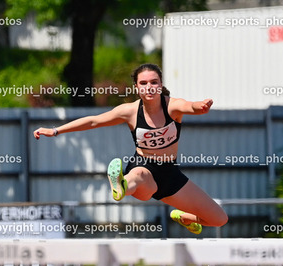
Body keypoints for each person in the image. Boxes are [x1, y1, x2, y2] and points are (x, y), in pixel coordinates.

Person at [33, 63, 228, 235]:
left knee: (219, 219)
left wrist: (199, 106)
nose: (149, 87)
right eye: (143, 83)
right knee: (140, 177)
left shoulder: (173, 107)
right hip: (143, 166)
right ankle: (121, 184)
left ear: (160, 85)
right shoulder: (130, 111)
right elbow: (93, 121)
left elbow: (190, 106)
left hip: (170, 173)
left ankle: (184, 217)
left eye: (154, 82)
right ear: (136, 87)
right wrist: (55, 130)